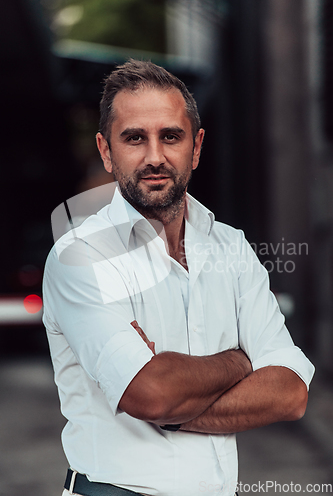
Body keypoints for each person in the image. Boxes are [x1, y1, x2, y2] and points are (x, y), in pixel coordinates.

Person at [43, 59, 315, 496]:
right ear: (106, 151)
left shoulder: (231, 248)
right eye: (134, 138)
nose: (155, 156)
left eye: (171, 135)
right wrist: (243, 360)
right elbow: (150, 394)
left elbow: (290, 394)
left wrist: (171, 398)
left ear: (197, 146)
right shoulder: (81, 258)